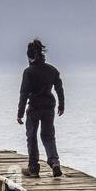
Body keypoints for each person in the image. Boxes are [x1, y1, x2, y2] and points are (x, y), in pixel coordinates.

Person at [16, 38, 64, 178]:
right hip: (49, 106)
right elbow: (59, 87)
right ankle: (54, 162)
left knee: (32, 136)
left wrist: (19, 114)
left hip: (35, 107)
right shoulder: (52, 70)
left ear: (29, 56)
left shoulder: (28, 72)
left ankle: (33, 168)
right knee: (48, 136)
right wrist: (61, 104)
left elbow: (24, 94)